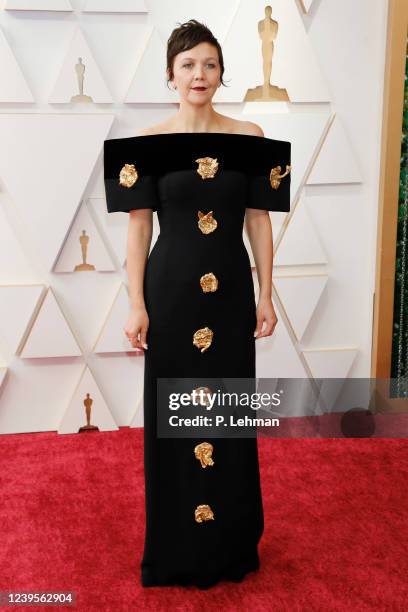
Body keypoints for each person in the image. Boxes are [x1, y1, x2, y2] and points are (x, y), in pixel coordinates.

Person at [103, 19, 291, 589]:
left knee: (228, 417)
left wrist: (266, 292)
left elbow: (258, 221)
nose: (198, 75)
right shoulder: (146, 146)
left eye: (209, 64)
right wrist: (135, 304)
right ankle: (174, 549)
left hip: (231, 296)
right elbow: (138, 233)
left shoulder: (251, 138)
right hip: (170, 294)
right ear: (170, 74)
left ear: (221, 74)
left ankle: (230, 545)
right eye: (187, 65)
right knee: (172, 418)